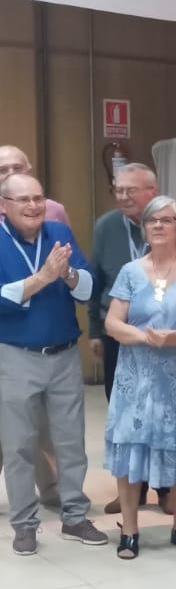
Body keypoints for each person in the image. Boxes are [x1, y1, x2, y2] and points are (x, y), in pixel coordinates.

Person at [0, 174, 107, 555]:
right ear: (4, 205)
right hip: (15, 355)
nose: (33, 206)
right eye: (23, 200)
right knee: (18, 446)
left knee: (71, 441)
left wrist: (69, 274)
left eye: (38, 198)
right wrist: (41, 279)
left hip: (63, 354)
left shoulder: (58, 231)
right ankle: (25, 524)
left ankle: (75, 515)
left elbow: (88, 288)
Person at [104, 196, 176, 560]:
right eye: (152, 221)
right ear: (145, 228)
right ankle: (130, 529)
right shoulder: (130, 271)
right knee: (132, 446)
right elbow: (112, 322)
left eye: (167, 220)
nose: (159, 226)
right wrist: (144, 337)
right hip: (136, 376)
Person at [89, 163, 168, 516]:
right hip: (118, 334)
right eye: (118, 189)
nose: (122, 196)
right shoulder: (106, 226)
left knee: (163, 412)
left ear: (152, 190)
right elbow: (96, 278)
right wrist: (95, 330)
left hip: (163, 334)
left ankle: (167, 489)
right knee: (124, 415)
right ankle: (131, 490)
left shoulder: (169, 221)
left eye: (130, 190)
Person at [0, 144, 68, 509]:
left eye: (17, 166)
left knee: (39, 417)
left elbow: (65, 259)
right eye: (2, 169)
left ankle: (51, 486)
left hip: (38, 331)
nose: (10, 172)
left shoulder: (52, 211)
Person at [0, 145, 69, 226]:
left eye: (17, 168)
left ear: (29, 172)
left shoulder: (54, 209)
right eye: (2, 170)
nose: (11, 174)